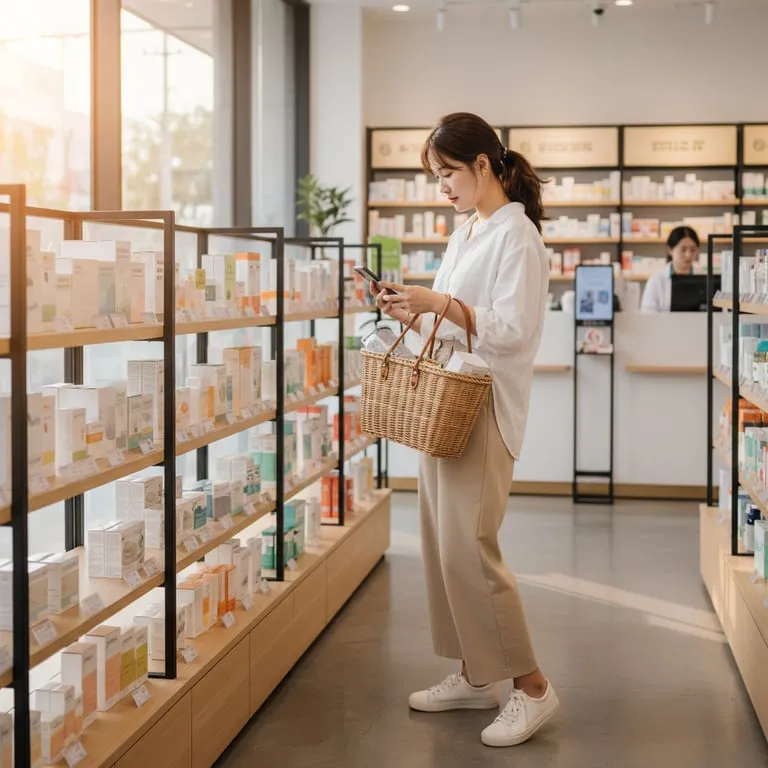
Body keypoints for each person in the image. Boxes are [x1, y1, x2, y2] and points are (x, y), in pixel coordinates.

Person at [372, 112, 558, 748]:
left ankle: (531, 687)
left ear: (483, 165)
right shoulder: (466, 234)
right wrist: (412, 310)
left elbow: (513, 330)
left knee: (471, 549)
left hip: (484, 406)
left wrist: (436, 302)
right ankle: (476, 674)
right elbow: (453, 328)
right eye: (435, 176)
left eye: (447, 172)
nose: (442, 187)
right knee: (440, 546)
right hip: (443, 402)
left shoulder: (519, 238)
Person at [640, 226, 700, 312]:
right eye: (683, 250)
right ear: (670, 250)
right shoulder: (656, 280)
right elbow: (647, 316)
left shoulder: (704, 277)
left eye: (693, 250)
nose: (688, 255)